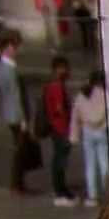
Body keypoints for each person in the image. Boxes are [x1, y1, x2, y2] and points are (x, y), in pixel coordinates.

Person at [0, 30, 35, 196]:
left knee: (19, 149)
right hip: (16, 115)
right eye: (14, 46)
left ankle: (18, 183)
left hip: (9, 113)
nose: (16, 49)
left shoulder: (1, 67)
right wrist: (23, 119)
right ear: (7, 47)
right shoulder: (9, 69)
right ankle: (17, 184)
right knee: (20, 151)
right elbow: (16, 95)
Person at [72, 69, 109, 206]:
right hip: (101, 130)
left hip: (87, 130)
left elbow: (75, 115)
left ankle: (92, 195)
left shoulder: (81, 95)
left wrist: (74, 135)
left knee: (90, 164)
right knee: (105, 162)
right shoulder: (105, 95)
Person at [43, 54, 76, 204]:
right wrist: (69, 119)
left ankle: (62, 189)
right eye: (65, 68)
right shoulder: (57, 86)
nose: (68, 71)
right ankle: (60, 192)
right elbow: (59, 108)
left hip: (56, 127)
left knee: (60, 159)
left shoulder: (53, 85)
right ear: (59, 69)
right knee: (60, 160)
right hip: (60, 128)